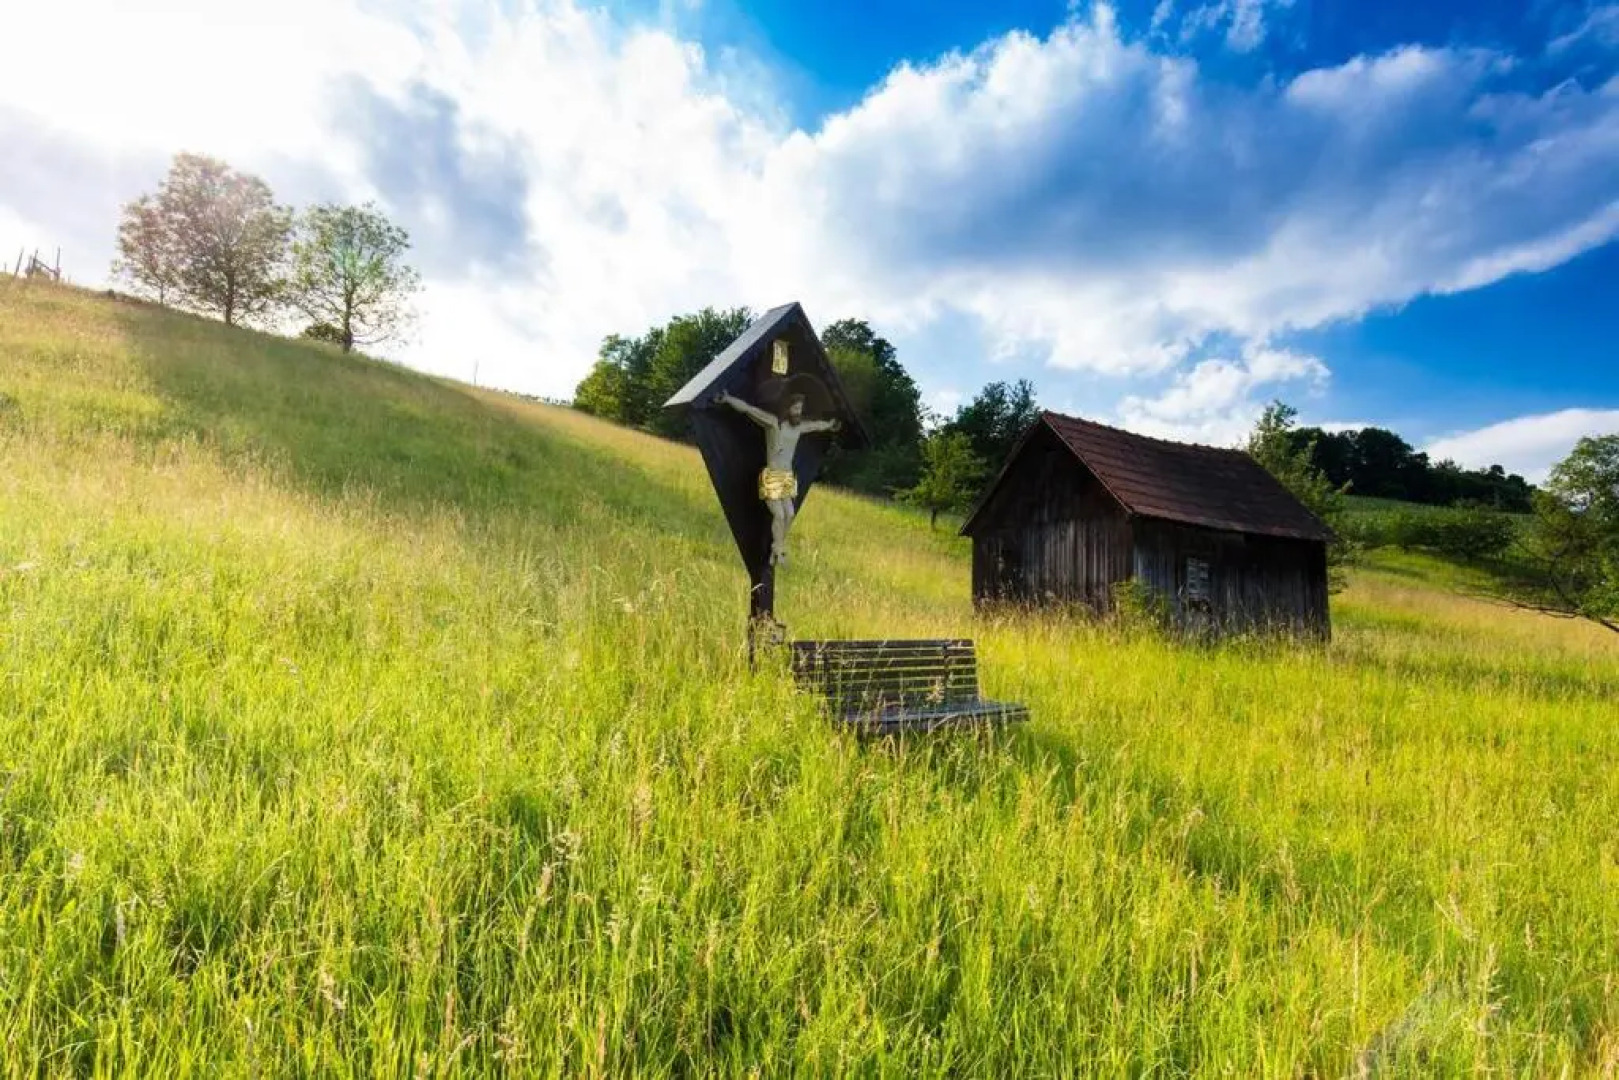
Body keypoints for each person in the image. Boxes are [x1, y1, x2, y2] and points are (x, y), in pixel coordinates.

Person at [716, 390, 841, 566]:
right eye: (795, 408)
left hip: (786, 476)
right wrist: (728, 399)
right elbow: (749, 410)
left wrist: (829, 425)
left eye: (800, 409)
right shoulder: (774, 424)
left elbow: (816, 425)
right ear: (787, 408)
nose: (798, 412)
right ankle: (779, 551)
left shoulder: (798, 427)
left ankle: (777, 548)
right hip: (773, 475)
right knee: (779, 514)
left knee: (789, 514)